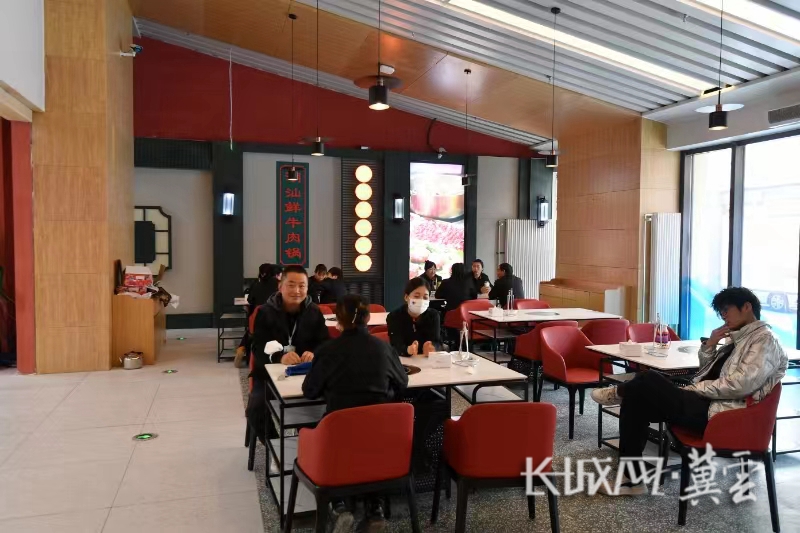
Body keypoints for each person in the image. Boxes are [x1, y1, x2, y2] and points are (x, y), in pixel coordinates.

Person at [591, 287, 788, 496]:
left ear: (747, 307)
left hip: (724, 415)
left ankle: (619, 392)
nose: (723, 316)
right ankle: (632, 480)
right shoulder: (737, 340)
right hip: (709, 405)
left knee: (648, 379)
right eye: (721, 312)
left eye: (726, 310)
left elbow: (740, 385)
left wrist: (693, 390)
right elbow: (706, 372)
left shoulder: (765, 340)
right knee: (636, 400)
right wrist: (710, 345)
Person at [302, 294, 408, 531]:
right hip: (381, 436)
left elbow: (310, 391)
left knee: (334, 436)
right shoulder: (384, 348)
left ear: (338, 321)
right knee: (369, 445)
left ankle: (339, 506)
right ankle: (374, 509)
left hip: (338, 436)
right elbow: (403, 382)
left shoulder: (327, 351)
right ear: (368, 318)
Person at [246, 265, 329, 442]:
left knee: (328, 401)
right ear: (280, 286)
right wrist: (279, 357)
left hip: (306, 373)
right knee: (256, 408)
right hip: (269, 374)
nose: (297, 291)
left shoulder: (314, 311)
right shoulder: (265, 312)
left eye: (302, 286)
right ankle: (276, 445)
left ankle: (306, 443)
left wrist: (313, 353)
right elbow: (258, 346)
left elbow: (324, 342)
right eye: (291, 285)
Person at [387, 278, 443, 357]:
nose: (421, 301)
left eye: (425, 297)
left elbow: (438, 342)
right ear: (406, 297)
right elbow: (395, 345)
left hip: (427, 360)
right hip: (405, 360)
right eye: (416, 296)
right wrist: (408, 350)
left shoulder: (433, 315)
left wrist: (433, 347)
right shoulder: (394, 316)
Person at [235, 263, 277, 368]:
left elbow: (250, 300)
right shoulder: (278, 285)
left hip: (256, 319)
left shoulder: (256, 285)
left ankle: (242, 348)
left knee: (251, 333)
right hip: (274, 319)